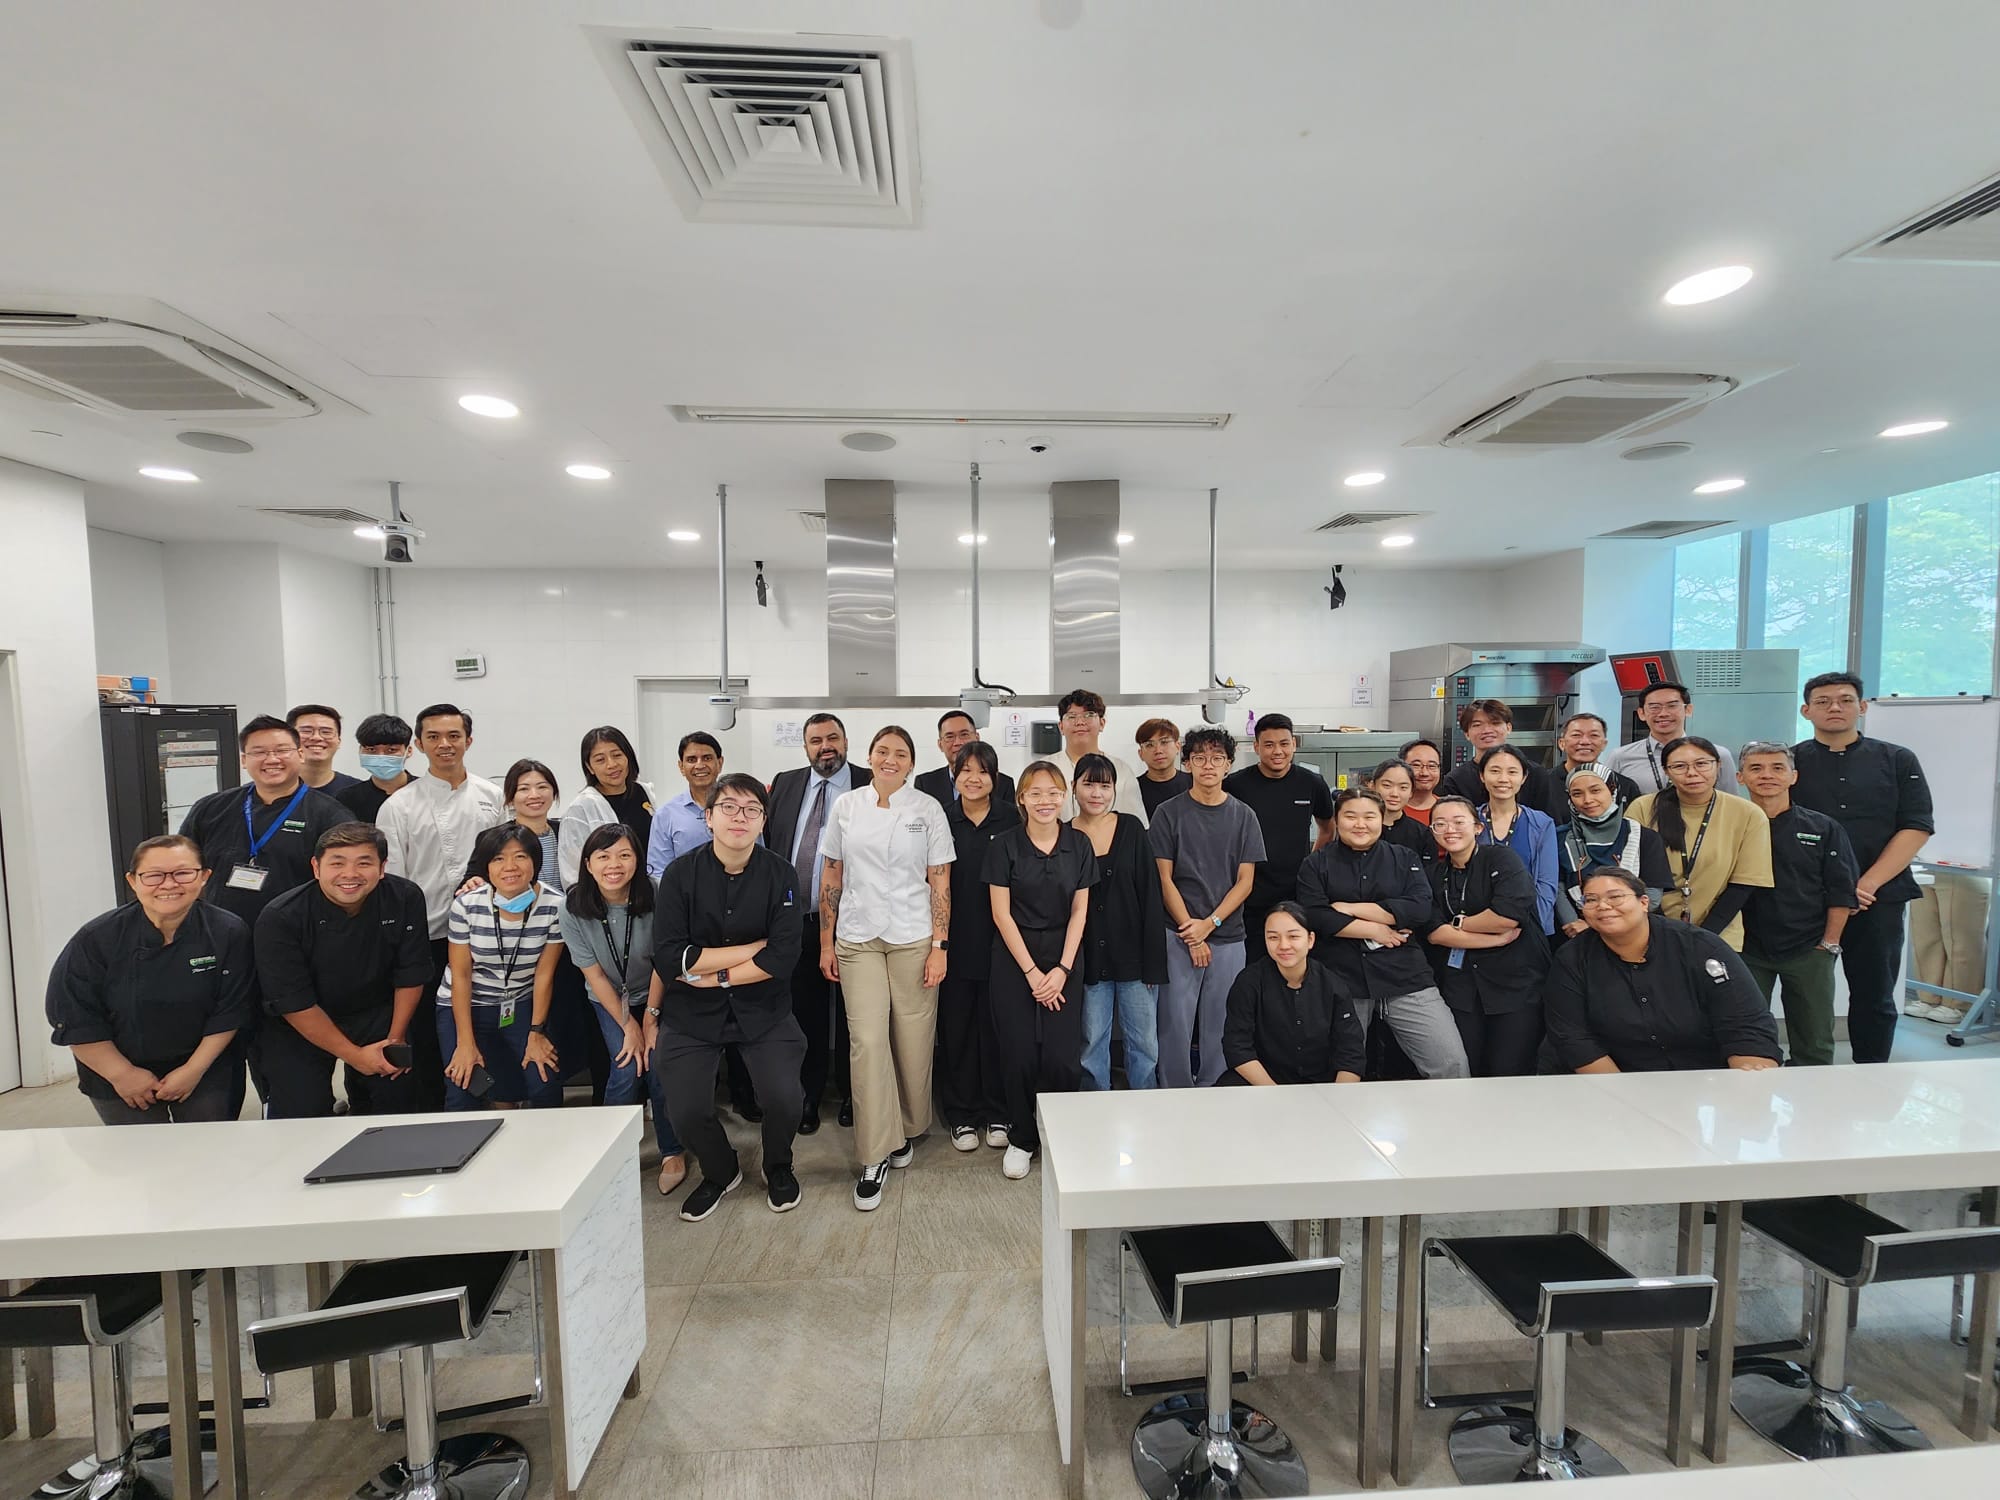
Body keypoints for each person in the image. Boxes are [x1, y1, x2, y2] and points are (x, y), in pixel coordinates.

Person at [647, 774, 808, 1220]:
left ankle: (778, 1164)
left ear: (763, 821)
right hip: (691, 1011)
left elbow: (783, 956)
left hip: (763, 1007)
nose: (741, 817)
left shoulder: (780, 873)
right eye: (730, 808)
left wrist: (716, 975)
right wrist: (749, 949)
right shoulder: (681, 875)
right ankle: (720, 1170)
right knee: (685, 1107)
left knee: (784, 1099)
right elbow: (671, 956)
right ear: (709, 817)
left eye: (752, 810)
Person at [178, 714, 348, 1109]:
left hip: (296, 955)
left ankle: (297, 1113)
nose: (271, 759)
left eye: (281, 750)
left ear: (299, 753)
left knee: (295, 1064)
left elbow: (346, 881)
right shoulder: (213, 809)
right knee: (230, 1054)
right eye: (259, 752)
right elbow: (183, 867)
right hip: (222, 951)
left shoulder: (328, 814)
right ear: (243, 759)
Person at [819, 725, 954, 1211]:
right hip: (857, 937)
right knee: (868, 1041)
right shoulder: (847, 806)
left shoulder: (927, 809)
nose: (890, 759)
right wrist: (825, 940)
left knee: (914, 1037)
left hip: (915, 935)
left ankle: (909, 1127)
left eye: (900, 753)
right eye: (882, 751)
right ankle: (875, 1151)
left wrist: (940, 944)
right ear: (869, 756)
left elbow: (940, 881)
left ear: (912, 763)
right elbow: (831, 871)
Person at [46, 834, 252, 1123]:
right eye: (154, 875)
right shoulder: (96, 938)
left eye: (182, 873)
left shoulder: (229, 931)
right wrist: (122, 1074)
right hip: (116, 1071)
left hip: (205, 1069)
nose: (169, 884)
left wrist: (193, 1070)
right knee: (139, 1161)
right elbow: (73, 1015)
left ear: (204, 877)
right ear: (132, 881)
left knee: (209, 1156)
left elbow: (232, 1008)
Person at [1790, 672, 1935, 1063]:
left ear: (1862, 706)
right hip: (1806, 897)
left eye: (1844, 699)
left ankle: (1871, 1070)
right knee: (1803, 988)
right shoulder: (1790, 762)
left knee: (1874, 992)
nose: (1834, 707)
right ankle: (1808, 1065)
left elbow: (1917, 825)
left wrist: (1865, 883)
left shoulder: (1898, 759)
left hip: (1879, 896)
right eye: (1823, 701)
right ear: (1806, 710)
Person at [253, 822, 432, 1118]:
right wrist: (355, 1057)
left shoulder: (404, 897)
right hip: (300, 1021)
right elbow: (293, 1001)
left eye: (364, 863)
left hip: (376, 1012)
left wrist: (395, 1039)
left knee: (397, 1094)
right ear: (316, 867)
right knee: (301, 1112)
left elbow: (411, 973)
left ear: (382, 867)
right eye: (337, 863)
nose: (350, 874)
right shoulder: (281, 917)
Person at [378, 704, 507, 1108]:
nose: (444, 744)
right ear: (418, 745)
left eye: (454, 736)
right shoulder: (398, 806)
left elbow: (508, 861)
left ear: (469, 741)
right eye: (433, 737)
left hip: (488, 932)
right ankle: (441, 1105)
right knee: (433, 1029)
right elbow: (393, 883)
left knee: (487, 1020)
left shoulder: (492, 796)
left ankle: (494, 1097)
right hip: (428, 935)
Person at [1297, 787, 1469, 1079]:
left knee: (1450, 1061)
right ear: (1337, 820)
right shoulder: (1316, 863)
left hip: (1405, 974)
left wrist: (1350, 908)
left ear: (1382, 819)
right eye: (1350, 816)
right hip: (1342, 977)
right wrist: (1375, 928)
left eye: (1369, 816)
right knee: (1340, 1071)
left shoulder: (1404, 858)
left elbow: (1418, 910)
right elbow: (1315, 915)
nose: (1360, 824)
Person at [1544, 868, 1783, 1073]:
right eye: (1591, 900)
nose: (1603, 906)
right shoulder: (1572, 959)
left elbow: (1746, 1023)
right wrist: (1623, 1099)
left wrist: (1748, 1085)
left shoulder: (1700, 947)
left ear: (1644, 902)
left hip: (1703, 1078)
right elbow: (1573, 1037)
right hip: (1616, 1083)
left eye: (1615, 897)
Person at [985, 760, 1096, 1179]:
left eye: (1053, 792)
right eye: (1036, 793)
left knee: (1062, 1056)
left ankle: (1060, 1136)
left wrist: (1063, 969)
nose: (1045, 800)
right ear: (1022, 799)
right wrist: (1032, 972)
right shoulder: (1004, 845)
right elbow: (1001, 913)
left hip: (1065, 956)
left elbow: (1080, 909)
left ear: (1064, 795)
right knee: (1018, 1053)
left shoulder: (1079, 844)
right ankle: (1022, 1138)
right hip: (1015, 959)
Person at [562, 823, 686, 1193]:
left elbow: (665, 961)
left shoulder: (658, 894)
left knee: (658, 1064)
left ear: (638, 859)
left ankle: (672, 1150)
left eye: (624, 855)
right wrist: (628, 1025)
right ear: (587, 863)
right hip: (608, 998)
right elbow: (595, 975)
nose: (613, 864)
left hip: (659, 991)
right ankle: (610, 1152)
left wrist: (649, 1017)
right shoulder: (573, 907)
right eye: (603, 856)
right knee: (626, 1067)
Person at [767, 711, 870, 1132]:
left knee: (855, 1013)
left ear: (846, 741)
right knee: (802, 1012)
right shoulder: (786, 783)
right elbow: (774, 847)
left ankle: (853, 1094)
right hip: (797, 919)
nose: (825, 746)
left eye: (832, 738)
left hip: (856, 920)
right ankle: (807, 1096)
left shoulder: (869, 782)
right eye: (815, 740)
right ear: (806, 746)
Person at [1150, 727, 1266, 1087]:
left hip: (1228, 936)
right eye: (1199, 758)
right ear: (1187, 764)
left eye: (1217, 758)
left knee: (1222, 1023)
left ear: (1229, 765)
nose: (1208, 765)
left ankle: (1214, 1092)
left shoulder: (1244, 815)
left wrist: (1210, 925)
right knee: (1173, 1023)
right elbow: (1163, 879)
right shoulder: (1168, 813)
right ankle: (1175, 1092)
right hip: (1178, 934)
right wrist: (1192, 931)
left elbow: (1245, 881)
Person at [1737, 741, 1859, 1068]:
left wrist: (1829, 943)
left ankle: (1817, 1110)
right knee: (1746, 1035)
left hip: (1809, 948)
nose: (1767, 776)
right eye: (1756, 768)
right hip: (1745, 949)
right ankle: (1748, 1109)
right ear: (1739, 777)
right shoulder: (1732, 825)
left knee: (1814, 1040)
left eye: (1778, 768)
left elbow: (1841, 889)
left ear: (1793, 776)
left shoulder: (1822, 827)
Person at [439, 823, 566, 1110]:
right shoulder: (467, 905)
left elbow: (544, 974)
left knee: (543, 1077)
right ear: (486, 866)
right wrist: (465, 1043)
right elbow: (460, 976)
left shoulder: (556, 905)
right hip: (465, 1004)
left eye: (520, 856)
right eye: (498, 858)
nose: (510, 866)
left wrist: (536, 1032)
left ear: (536, 861)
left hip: (520, 1002)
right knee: (463, 1084)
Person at [1423, 798, 1547, 1076]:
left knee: (1510, 1070)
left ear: (1478, 827)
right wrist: (1494, 938)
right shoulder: (1433, 874)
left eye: (1458, 822)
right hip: (1461, 986)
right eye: (1439, 824)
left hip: (1515, 983)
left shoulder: (1501, 858)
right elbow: (1433, 933)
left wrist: (1456, 924)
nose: (1449, 829)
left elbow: (1507, 916)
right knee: (1468, 1067)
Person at [936, 741, 1019, 1152]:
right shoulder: (942, 819)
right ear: (954, 776)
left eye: (982, 771)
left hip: (1004, 941)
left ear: (995, 778)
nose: (973, 778)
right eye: (965, 770)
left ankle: (999, 1110)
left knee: (999, 1028)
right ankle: (962, 1113)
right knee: (959, 1029)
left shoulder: (1011, 818)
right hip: (954, 940)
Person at [1072, 752, 1165, 1093]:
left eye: (1104, 785)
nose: (1096, 793)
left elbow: (1151, 897)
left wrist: (1154, 964)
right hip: (1086, 960)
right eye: (1089, 784)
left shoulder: (1132, 829)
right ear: (1074, 787)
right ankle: (1095, 1107)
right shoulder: (1065, 834)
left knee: (1144, 1043)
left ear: (1114, 790)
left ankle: (1146, 1105)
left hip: (1135, 959)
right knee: (1092, 1041)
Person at [1628, 736, 1773, 952]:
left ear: (1718, 765)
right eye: (1679, 766)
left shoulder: (1748, 814)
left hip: (1719, 937)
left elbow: (1743, 885)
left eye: (1702, 764)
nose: (1692, 773)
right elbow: (1631, 876)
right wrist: (1665, 930)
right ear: (1666, 771)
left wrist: (1702, 939)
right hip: (1651, 933)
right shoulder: (1643, 808)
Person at [1223, 713, 1335, 965]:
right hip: (1249, 894)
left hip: (1295, 891)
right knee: (1252, 966)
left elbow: (1327, 827)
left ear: (1294, 744)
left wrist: (1311, 864)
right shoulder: (1236, 785)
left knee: (1292, 962)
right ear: (1256, 747)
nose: (1277, 751)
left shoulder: (1312, 783)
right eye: (1269, 744)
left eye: (1284, 744)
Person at [1220, 903, 1365, 1086]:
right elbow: (1237, 1046)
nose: (1283, 945)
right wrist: (1275, 1094)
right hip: (1263, 1080)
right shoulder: (1249, 982)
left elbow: (1351, 1051)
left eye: (1293, 936)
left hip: (1320, 1082)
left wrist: (1339, 1098)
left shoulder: (1332, 985)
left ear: (1310, 940)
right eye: (1273, 937)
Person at [1555, 763, 1672, 941]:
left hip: (1638, 935)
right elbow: (1557, 890)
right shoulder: (1559, 838)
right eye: (1577, 794)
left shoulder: (1644, 838)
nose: (1587, 800)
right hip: (1577, 937)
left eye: (1595, 790)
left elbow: (1652, 898)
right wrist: (1577, 928)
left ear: (1613, 790)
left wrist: (1595, 925)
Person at [556, 726, 658, 888]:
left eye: (617, 755)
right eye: (600, 760)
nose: (612, 764)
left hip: (647, 892)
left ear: (628, 757)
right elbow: (572, 871)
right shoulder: (581, 807)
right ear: (589, 767)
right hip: (604, 899)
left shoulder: (644, 792)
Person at [1473, 745, 1559, 936]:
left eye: (1512, 772)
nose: (1503, 779)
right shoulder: (1468, 820)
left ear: (1524, 777)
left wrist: (1529, 927)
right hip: (1477, 927)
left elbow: (1547, 884)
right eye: (1495, 771)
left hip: (1529, 930)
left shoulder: (1541, 824)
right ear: (1482, 775)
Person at [1605, 681, 1741, 797]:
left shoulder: (1717, 755)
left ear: (1688, 710)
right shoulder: (1620, 757)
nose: (1663, 713)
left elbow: (1731, 804)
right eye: (1654, 707)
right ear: (1641, 713)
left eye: (1672, 706)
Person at [1438, 701, 1557, 811]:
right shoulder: (1456, 780)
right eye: (1477, 725)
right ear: (1467, 734)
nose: (1487, 730)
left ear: (1509, 728)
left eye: (1495, 723)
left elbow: (1549, 822)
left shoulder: (1536, 774)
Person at [1055, 689, 1147, 823]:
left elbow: (1137, 823)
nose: (1080, 722)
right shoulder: (1046, 769)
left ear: (1102, 724)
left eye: (1088, 715)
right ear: (1061, 726)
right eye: (1072, 716)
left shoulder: (1121, 770)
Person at [645, 731, 725, 881]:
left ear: (720, 763)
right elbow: (658, 871)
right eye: (691, 759)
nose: (699, 765)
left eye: (707, 758)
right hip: (685, 901)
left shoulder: (739, 809)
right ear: (681, 767)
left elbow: (759, 857)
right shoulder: (666, 815)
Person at [1541, 714, 1642, 818]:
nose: (1585, 742)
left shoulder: (1625, 785)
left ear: (1604, 744)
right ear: (1561, 743)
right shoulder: (1542, 783)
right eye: (1576, 735)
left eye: (1594, 735)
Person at [915, 710, 1015, 807]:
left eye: (964, 735)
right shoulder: (925, 784)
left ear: (977, 738)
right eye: (949, 737)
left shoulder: (1004, 783)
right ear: (940, 745)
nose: (958, 742)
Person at [336, 713, 415, 823]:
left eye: (391, 750)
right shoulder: (348, 798)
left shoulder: (427, 792)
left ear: (409, 751)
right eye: (371, 750)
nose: (381, 757)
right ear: (360, 750)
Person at [504, 760, 565, 888]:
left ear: (554, 793)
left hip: (567, 907)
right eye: (524, 789)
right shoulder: (496, 838)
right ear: (510, 798)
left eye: (542, 787)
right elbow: (474, 878)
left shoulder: (567, 831)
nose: (534, 795)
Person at [1371, 758, 1437, 869]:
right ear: (1373, 787)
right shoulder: (1362, 829)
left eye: (1403, 787)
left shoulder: (1422, 834)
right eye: (1387, 785)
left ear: (1411, 792)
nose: (1394, 794)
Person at [287, 704, 360, 795]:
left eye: (326, 732)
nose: (316, 737)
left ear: (339, 741)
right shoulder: (272, 790)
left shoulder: (357, 791)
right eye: (306, 731)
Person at [1134, 718, 1193, 816]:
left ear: (1178, 747)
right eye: (1149, 745)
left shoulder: (1194, 782)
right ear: (1141, 754)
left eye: (1164, 742)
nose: (1158, 750)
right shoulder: (1134, 788)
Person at [1399, 738, 1444, 824]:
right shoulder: (1389, 808)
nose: (1424, 773)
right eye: (1416, 765)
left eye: (1432, 766)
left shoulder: (1448, 809)